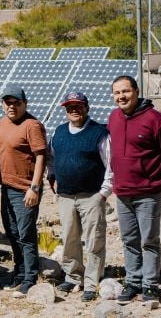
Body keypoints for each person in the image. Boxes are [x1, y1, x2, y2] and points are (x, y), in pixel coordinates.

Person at [108, 76, 161, 305]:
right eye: (117, 93)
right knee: (129, 240)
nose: (121, 96)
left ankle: (150, 285)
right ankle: (133, 282)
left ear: (136, 91)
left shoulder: (156, 119)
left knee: (149, 241)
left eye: (125, 91)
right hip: (122, 192)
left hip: (149, 192)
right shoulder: (113, 117)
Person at [47, 92, 112, 302]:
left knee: (94, 240)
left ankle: (91, 282)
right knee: (69, 238)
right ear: (65, 110)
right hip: (66, 196)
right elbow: (51, 158)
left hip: (92, 195)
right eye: (70, 107)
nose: (74, 110)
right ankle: (73, 276)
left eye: (78, 106)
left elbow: (110, 163)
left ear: (87, 108)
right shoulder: (59, 132)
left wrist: (104, 193)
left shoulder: (99, 133)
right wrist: (52, 176)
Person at [0, 86, 47, 296]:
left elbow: (41, 156)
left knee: (26, 234)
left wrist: (34, 188)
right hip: (6, 188)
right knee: (12, 232)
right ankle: (20, 271)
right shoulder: (2, 123)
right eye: (8, 103)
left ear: (25, 104)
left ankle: (30, 277)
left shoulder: (32, 125)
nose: (12, 107)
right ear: (2, 104)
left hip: (25, 189)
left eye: (17, 103)